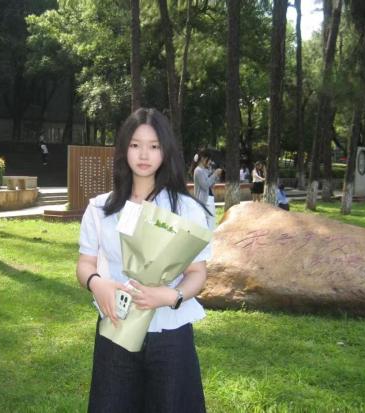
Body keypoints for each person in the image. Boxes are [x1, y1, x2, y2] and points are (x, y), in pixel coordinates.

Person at [76, 108, 209, 412]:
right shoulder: (100, 208)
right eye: (136, 145)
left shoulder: (186, 210)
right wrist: (97, 284)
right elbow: (84, 264)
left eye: (154, 146)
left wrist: (171, 296)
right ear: (124, 149)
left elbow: (197, 273)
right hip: (116, 328)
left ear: (166, 151)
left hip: (171, 335)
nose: (144, 154)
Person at [191, 148, 223, 232]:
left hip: (209, 198)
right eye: (209, 159)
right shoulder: (198, 170)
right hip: (203, 200)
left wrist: (216, 176)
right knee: (205, 224)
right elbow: (205, 186)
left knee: (211, 223)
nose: (210, 162)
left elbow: (211, 185)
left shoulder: (206, 170)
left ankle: (209, 239)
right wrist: (215, 174)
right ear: (203, 158)